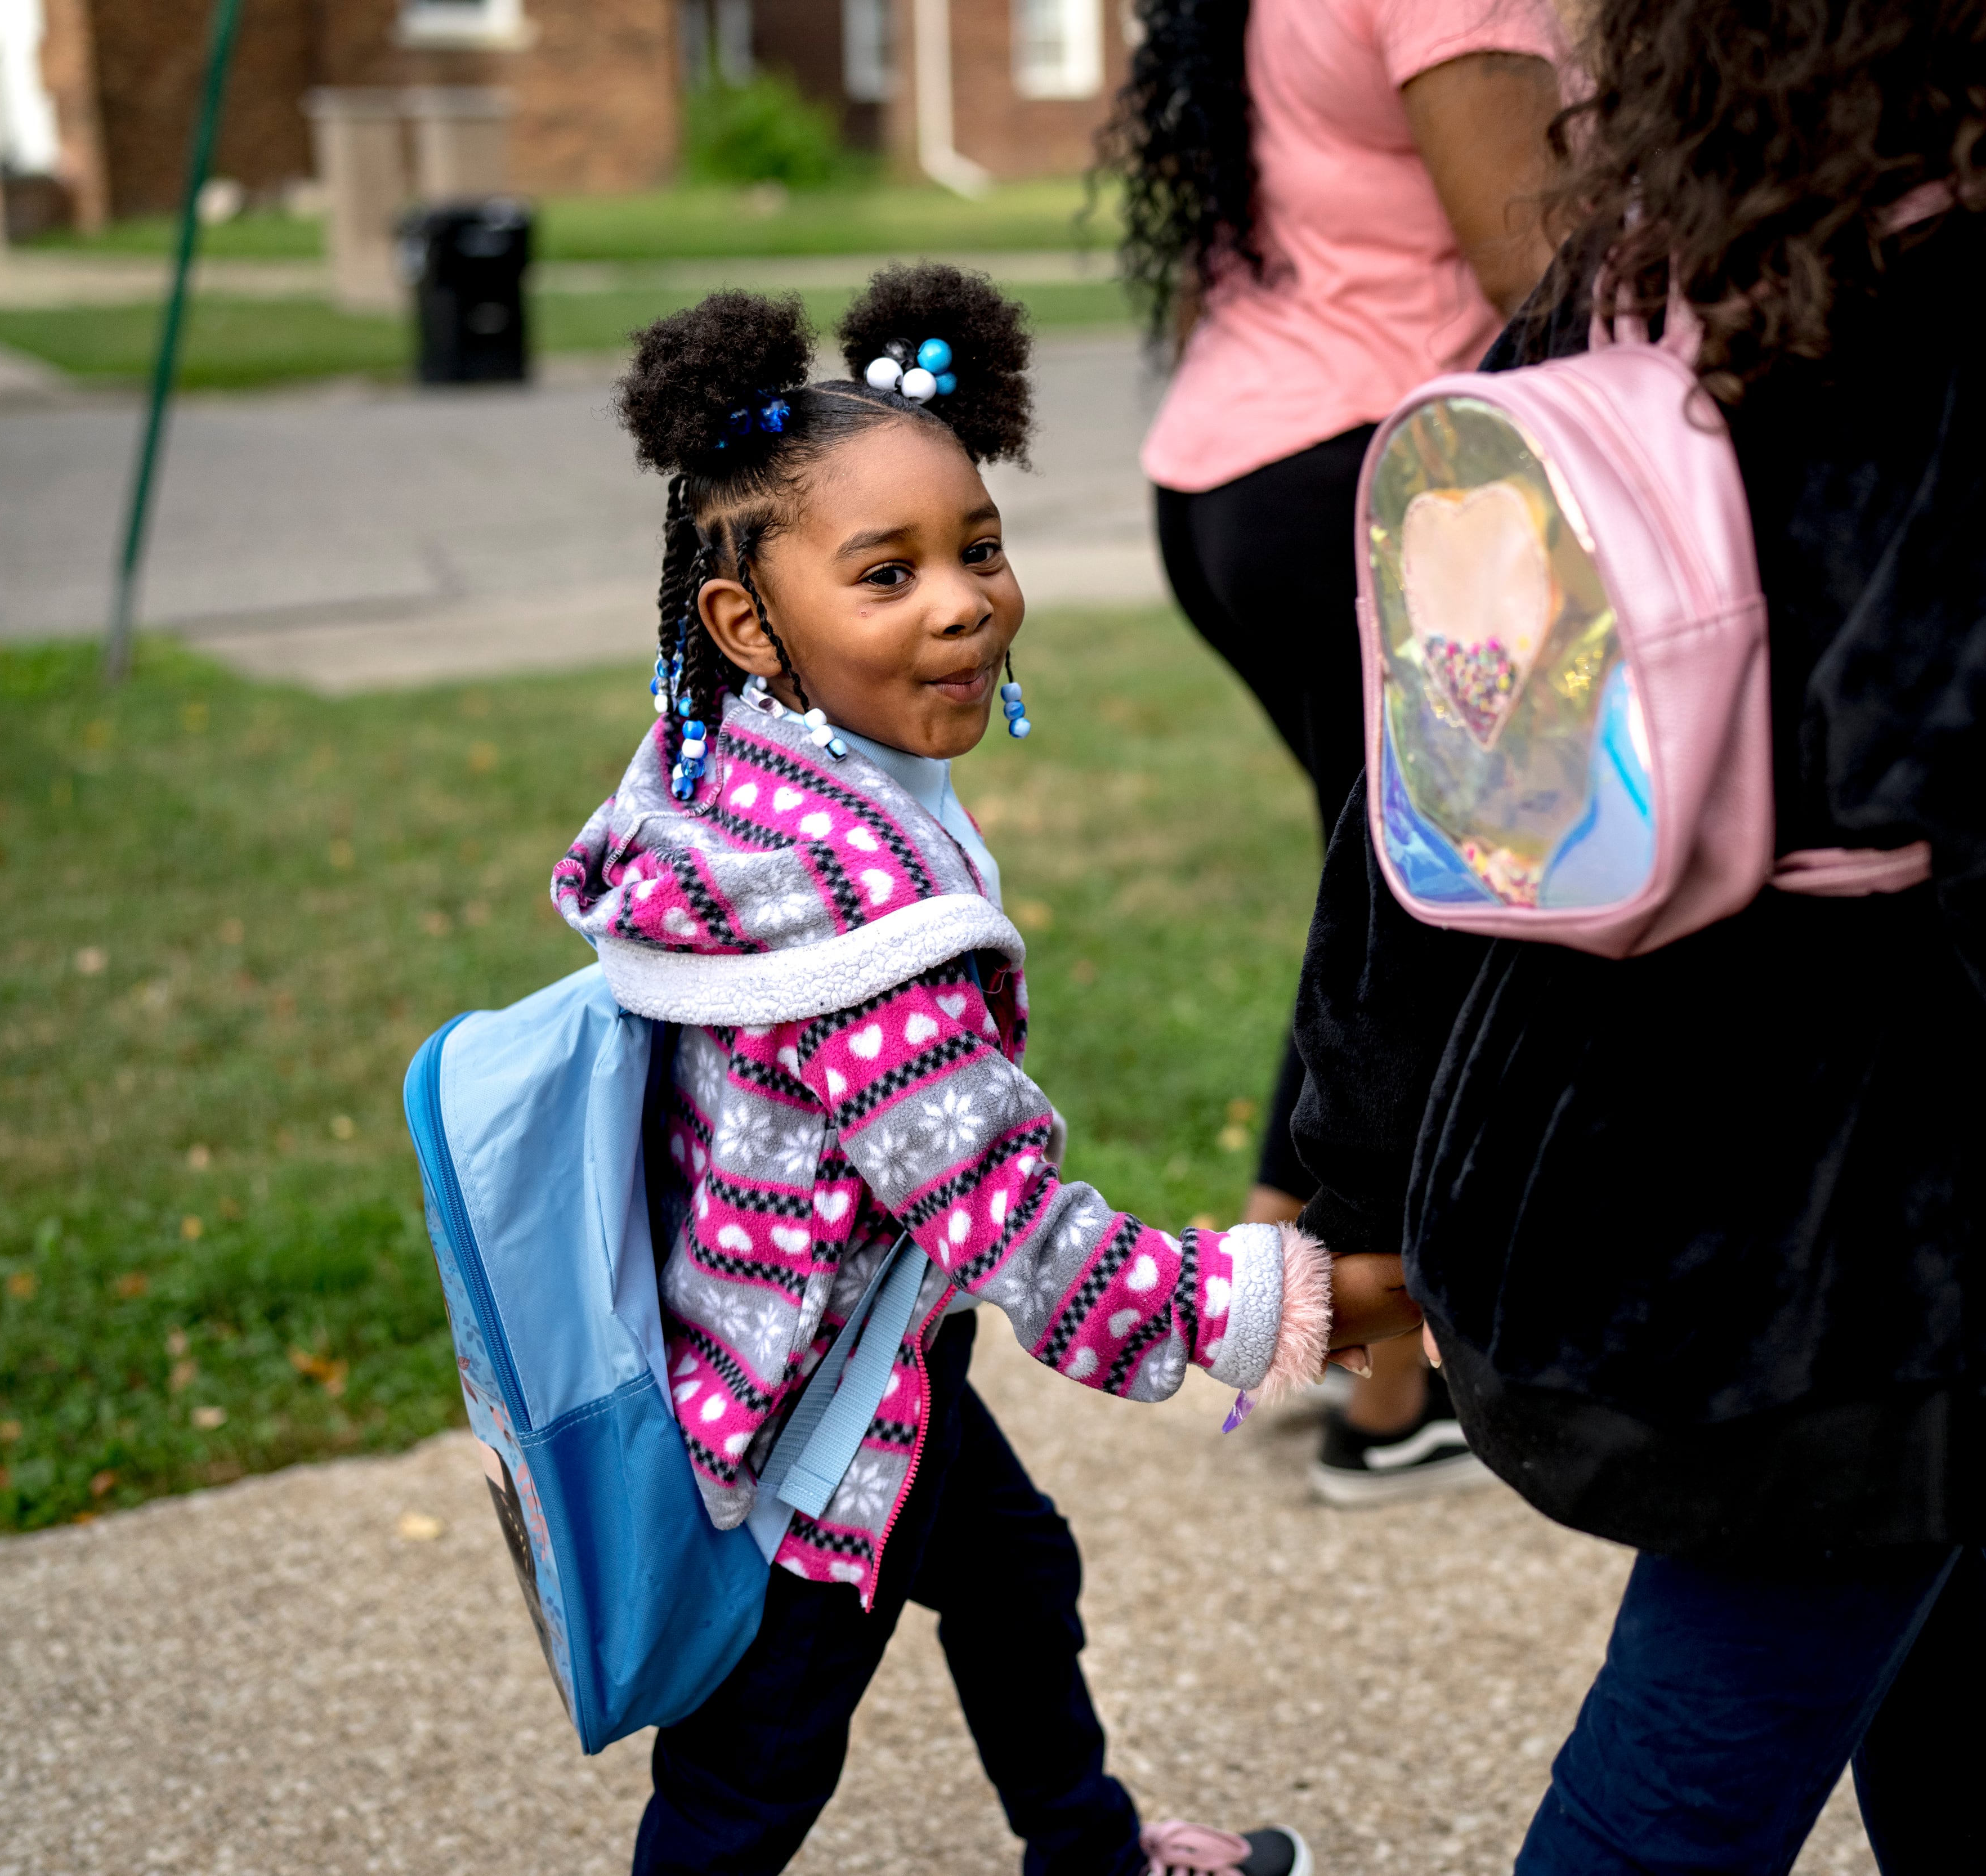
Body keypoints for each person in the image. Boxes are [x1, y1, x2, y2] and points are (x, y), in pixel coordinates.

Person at [1285, 2, 1986, 1870]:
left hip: (1587, 1192)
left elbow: (1428, 775)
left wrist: (1374, 1159)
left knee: (1946, 1722)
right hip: (1861, 1279)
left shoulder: (1649, 262)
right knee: (1668, 1811)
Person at [561, 266, 1412, 1876]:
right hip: (812, 1440)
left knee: (1019, 1577)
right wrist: (1332, 1299)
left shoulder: (736, 770)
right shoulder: (850, 934)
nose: (962, 602)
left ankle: (1087, 1853)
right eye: (885, 574)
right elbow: (1037, 1248)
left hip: (856, 1350)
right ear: (749, 624)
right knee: (744, 1791)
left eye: (979, 548)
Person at [1101, 0, 1569, 1504]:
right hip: (1371, 484)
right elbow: (1537, 269)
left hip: (1240, 465)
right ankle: (1388, 1394)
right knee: (1432, 927)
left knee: (1367, 905)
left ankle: (1289, 1321)